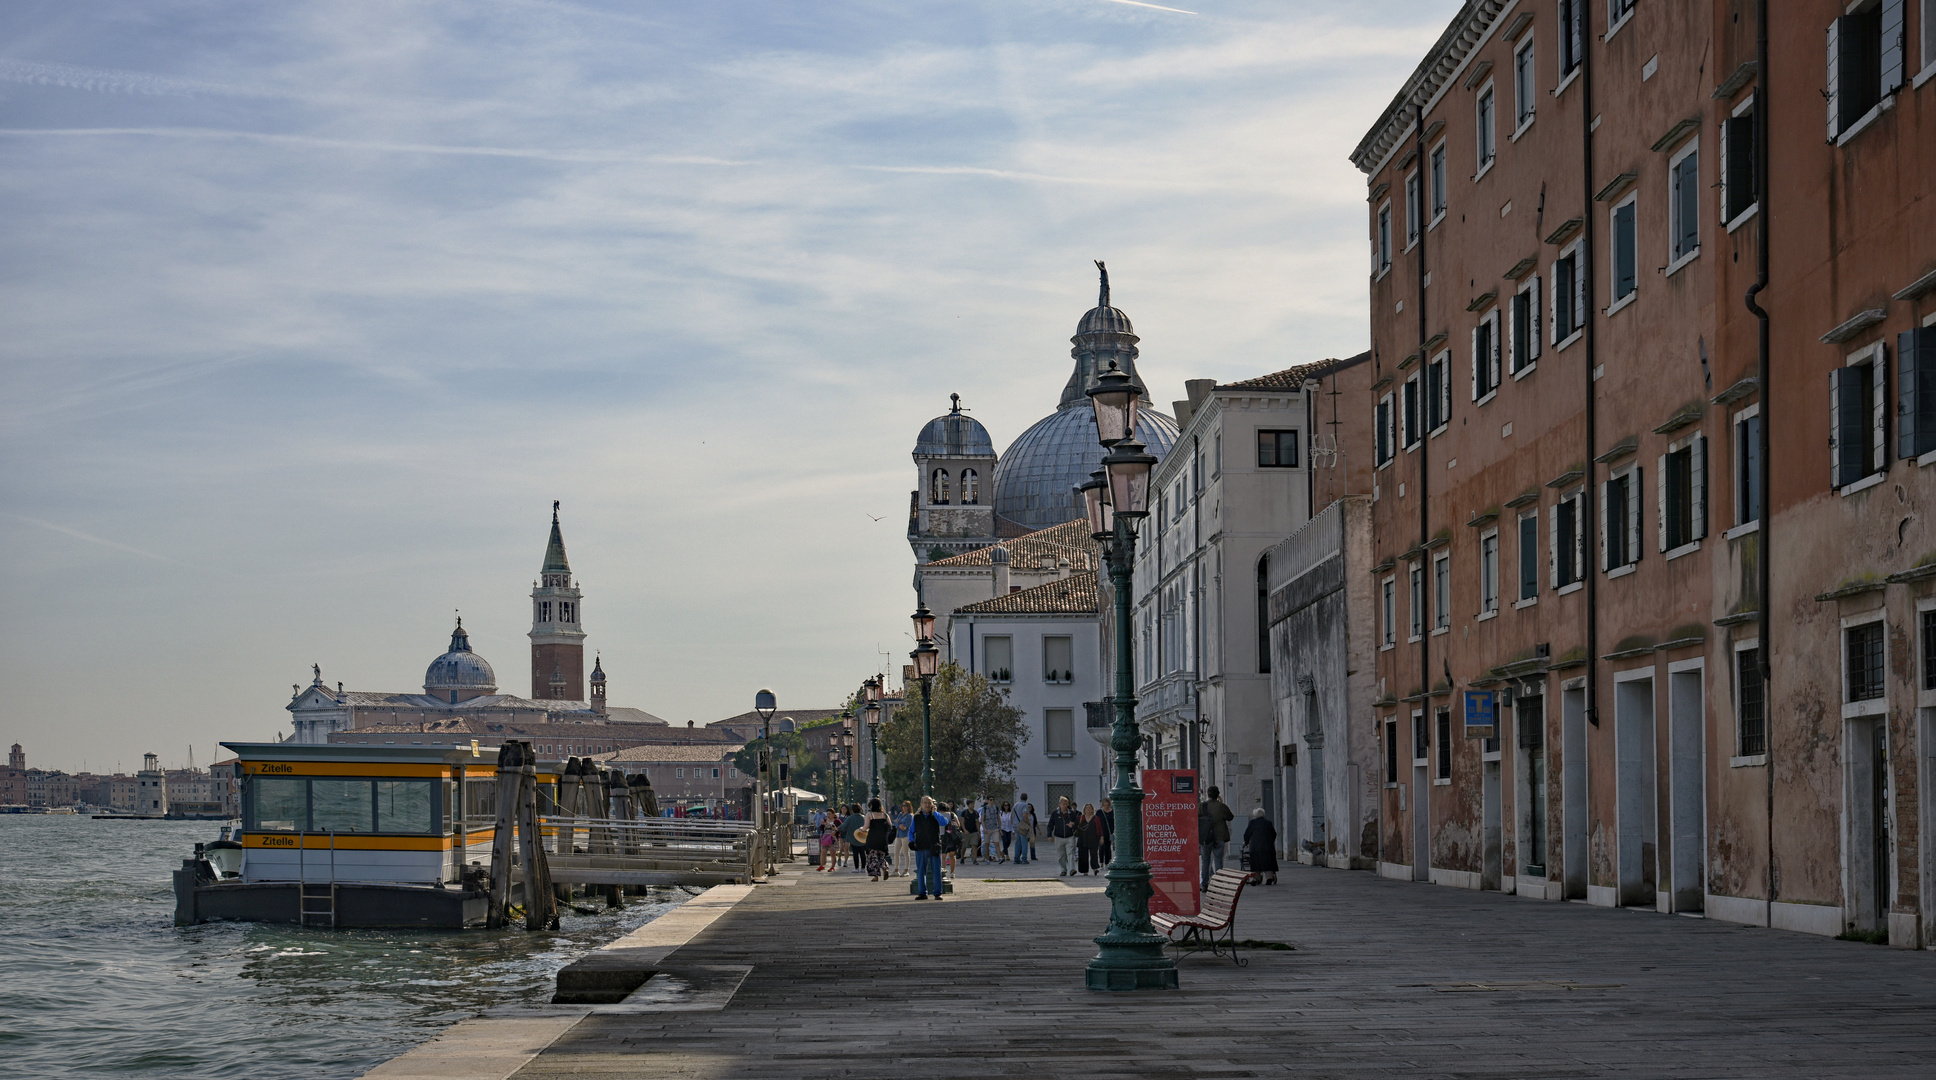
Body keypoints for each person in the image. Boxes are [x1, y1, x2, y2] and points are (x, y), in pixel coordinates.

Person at [908, 796, 949, 899]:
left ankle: (937, 893)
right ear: (921, 804)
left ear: (932, 805)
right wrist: (911, 841)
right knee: (921, 871)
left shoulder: (936, 815)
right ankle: (922, 892)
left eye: (929, 803)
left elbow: (944, 822)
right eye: (925, 803)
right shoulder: (916, 817)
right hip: (921, 846)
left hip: (934, 846)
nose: (927, 805)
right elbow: (911, 831)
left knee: (936, 871)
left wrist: (935, 813)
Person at [1199, 785, 1235, 890]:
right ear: (1218, 794)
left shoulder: (1202, 806)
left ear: (1208, 794)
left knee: (1205, 861)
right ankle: (1219, 883)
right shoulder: (1221, 806)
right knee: (1219, 861)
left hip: (1205, 838)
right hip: (1219, 837)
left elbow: (1196, 817)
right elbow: (1230, 817)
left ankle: (1204, 884)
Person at [1243, 807, 1279, 885]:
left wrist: (1246, 842)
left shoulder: (1252, 823)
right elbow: (1274, 834)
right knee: (1267, 863)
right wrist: (1270, 842)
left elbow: (1247, 834)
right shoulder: (1268, 823)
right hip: (1267, 847)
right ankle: (1269, 878)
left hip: (1255, 847)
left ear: (1255, 815)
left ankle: (1257, 878)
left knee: (1256, 863)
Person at [1047, 796, 1079, 876]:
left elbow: (1076, 823)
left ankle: (1072, 869)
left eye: (1066, 804)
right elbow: (1050, 824)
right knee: (1061, 855)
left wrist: (1073, 825)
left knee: (1070, 853)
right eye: (1063, 804)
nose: (1065, 806)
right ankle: (1063, 869)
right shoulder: (1055, 813)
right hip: (1059, 837)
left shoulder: (1071, 813)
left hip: (1069, 836)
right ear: (1060, 804)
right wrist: (1049, 835)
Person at [863, 798, 894, 880]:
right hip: (882, 839)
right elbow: (890, 826)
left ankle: (875, 876)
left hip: (872, 838)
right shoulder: (885, 815)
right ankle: (884, 867)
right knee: (881, 856)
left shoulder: (870, 814)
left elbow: (866, 826)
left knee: (872, 857)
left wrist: (861, 830)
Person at [1076, 802, 1106, 875]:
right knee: (1083, 855)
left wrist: (1102, 837)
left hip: (1093, 839)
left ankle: (1095, 868)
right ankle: (1085, 870)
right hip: (1083, 839)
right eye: (1087, 808)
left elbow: (1100, 828)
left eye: (1090, 808)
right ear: (1084, 809)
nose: (1088, 809)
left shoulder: (1096, 818)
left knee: (1094, 854)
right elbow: (1076, 826)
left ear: (1092, 810)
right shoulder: (1081, 818)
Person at [891, 800, 913, 877]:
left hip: (905, 836)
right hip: (898, 835)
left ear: (909, 807)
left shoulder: (910, 816)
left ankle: (906, 870)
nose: (904, 808)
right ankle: (896, 869)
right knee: (896, 852)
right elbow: (895, 822)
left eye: (906, 806)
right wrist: (899, 824)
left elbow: (905, 827)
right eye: (903, 806)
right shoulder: (900, 814)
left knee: (906, 853)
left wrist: (898, 824)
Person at [1011, 793, 1034, 864]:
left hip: (1016, 825)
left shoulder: (1015, 805)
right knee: (1024, 842)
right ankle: (1024, 858)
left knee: (1017, 842)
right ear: (1026, 798)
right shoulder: (1025, 805)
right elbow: (1024, 815)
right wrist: (1028, 823)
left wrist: (1013, 824)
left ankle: (1016, 858)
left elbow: (1011, 816)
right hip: (1022, 826)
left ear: (1020, 797)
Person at [842, 803, 866, 873]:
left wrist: (837, 829)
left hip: (854, 837)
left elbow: (844, 826)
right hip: (863, 837)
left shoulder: (850, 818)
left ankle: (856, 868)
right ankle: (863, 868)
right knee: (862, 853)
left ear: (852, 810)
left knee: (855, 853)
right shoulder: (863, 817)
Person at [958, 800, 982, 865]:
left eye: (973, 804)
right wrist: (964, 830)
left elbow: (977, 823)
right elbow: (962, 822)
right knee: (964, 846)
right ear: (968, 805)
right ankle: (962, 858)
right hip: (966, 832)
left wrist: (978, 832)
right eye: (971, 804)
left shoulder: (976, 813)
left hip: (974, 832)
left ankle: (975, 859)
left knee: (974, 845)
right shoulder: (964, 813)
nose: (973, 805)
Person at [1098, 797, 1114, 866]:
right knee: (1101, 847)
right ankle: (1101, 862)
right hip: (1101, 832)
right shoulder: (1099, 812)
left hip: (1109, 832)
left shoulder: (1112, 811)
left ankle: (1107, 862)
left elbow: (1113, 822)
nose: (1106, 804)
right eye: (1105, 802)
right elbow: (1097, 822)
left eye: (1107, 802)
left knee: (1108, 847)